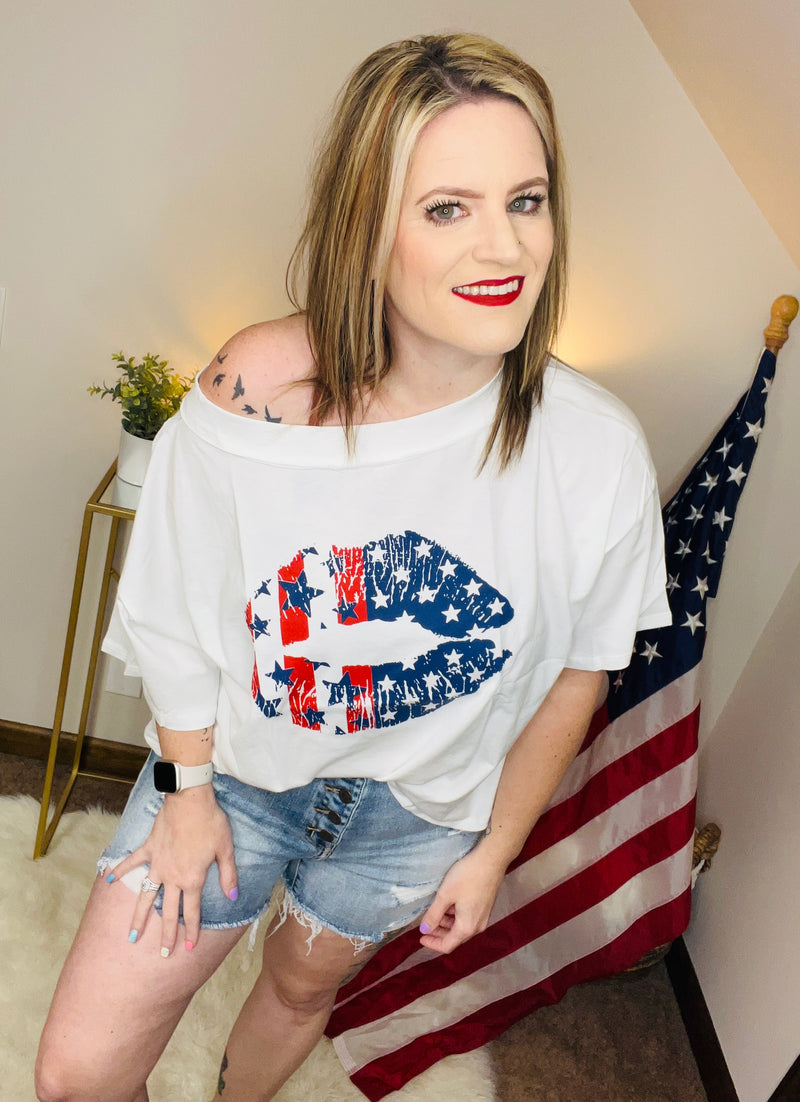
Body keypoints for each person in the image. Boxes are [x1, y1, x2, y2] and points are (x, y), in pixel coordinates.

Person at [36, 32, 671, 1102]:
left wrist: (490, 852)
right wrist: (186, 794)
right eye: (447, 208)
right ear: (367, 229)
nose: (503, 247)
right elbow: (172, 603)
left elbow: (578, 673)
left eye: (526, 200)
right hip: (233, 776)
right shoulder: (259, 391)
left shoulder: (595, 449)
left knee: (297, 993)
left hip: (415, 820)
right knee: (78, 1075)